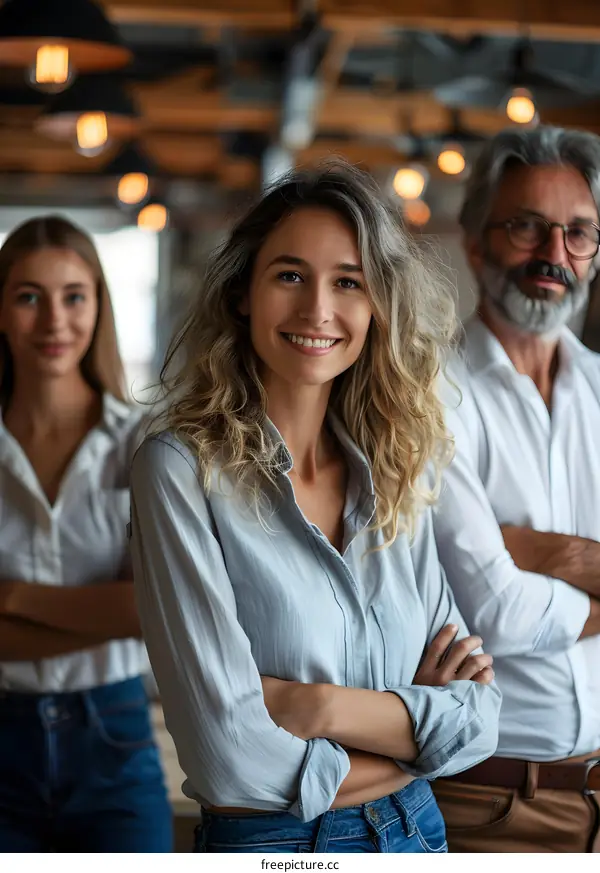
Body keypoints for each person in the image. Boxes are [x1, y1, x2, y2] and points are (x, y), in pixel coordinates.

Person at [129, 161, 501, 854]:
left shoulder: (399, 469)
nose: (317, 310)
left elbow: (478, 720)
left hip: (418, 835)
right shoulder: (180, 471)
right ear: (244, 291)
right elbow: (229, 757)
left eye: (348, 282)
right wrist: (410, 739)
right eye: (290, 275)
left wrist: (314, 705)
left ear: (376, 305)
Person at [431, 125, 600, 853]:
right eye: (528, 227)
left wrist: (536, 553)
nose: (554, 255)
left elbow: (500, 588)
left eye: (579, 233)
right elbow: (490, 610)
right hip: (488, 805)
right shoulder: (429, 393)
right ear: (476, 242)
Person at [0, 216, 172, 852]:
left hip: (115, 737)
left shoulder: (146, 444)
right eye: (28, 296)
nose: (54, 321)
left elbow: (150, 608)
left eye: (74, 295)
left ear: (99, 305)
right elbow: (126, 610)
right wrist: (103, 610)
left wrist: (12, 597)